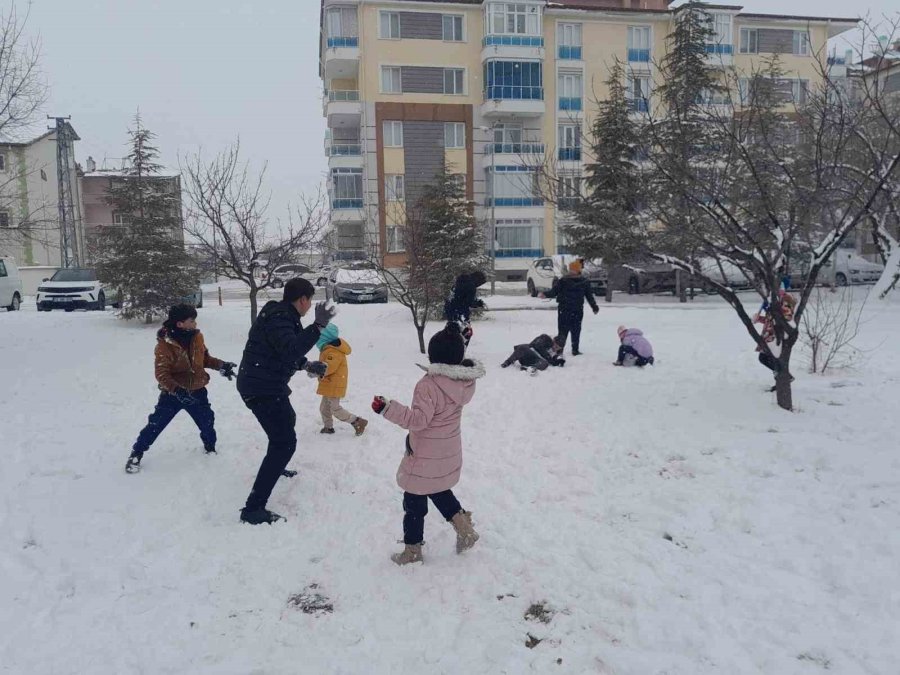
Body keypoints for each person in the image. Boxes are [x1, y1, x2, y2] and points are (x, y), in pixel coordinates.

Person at [371, 322, 485, 566]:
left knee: (414, 502)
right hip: (447, 450)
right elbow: (456, 358)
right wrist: (460, 340)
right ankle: (464, 529)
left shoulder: (428, 385)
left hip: (424, 455)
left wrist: (387, 409)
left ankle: (412, 551)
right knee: (439, 489)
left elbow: (419, 421)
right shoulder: (463, 382)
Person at [236, 278, 334, 525]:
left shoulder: (281, 316)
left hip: (265, 383)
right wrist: (318, 326)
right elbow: (290, 349)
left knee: (286, 422)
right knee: (284, 443)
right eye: (309, 300)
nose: (310, 306)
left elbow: (283, 351)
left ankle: (276, 467)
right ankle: (253, 509)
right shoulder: (280, 318)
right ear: (302, 300)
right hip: (261, 388)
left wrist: (307, 364)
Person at [125, 304, 235, 474]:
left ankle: (210, 448)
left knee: (207, 421)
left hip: (197, 390)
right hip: (173, 394)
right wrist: (177, 390)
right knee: (156, 424)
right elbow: (161, 373)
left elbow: (204, 359)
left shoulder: (197, 337)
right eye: (192, 321)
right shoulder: (164, 345)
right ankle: (136, 453)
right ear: (180, 324)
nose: (195, 324)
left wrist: (221, 365)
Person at [315, 323, 367, 436]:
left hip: (334, 384)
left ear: (325, 338)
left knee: (335, 408)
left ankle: (357, 421)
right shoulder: (328, 349)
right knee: (324, 408)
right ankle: (328, 427)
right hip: (328, 383)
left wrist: (317, 370)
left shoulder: (333, 351)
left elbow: (329, 367)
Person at [541, 260, 599, 355]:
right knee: (565, 331)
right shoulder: (565, 281)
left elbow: (589, 296)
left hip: (572, 310)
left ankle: (573, 349)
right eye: (571, 269)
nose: (571, 271)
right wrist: (545, 294)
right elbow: (554, 291)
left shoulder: (580, 281)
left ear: (577, 270)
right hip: (568, 309)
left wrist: (594, 306)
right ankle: (561, 349)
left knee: (572, 330)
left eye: (573, 270)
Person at [753, 286, 797, 391]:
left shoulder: (787, 299)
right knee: (768, 359)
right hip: (769, 334)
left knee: (767, 359)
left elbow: (786, 317)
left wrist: (772, 309)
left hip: (777, 336)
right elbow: (770, 319)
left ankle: (784, 377)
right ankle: (781, 379)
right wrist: (759, 319)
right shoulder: (774, 299)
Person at [444, 271, 487, 346]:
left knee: (450, 333)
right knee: (467, 333)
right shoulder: (471, 286)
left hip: (450, 311)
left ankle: (450, 350)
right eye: (480, 283)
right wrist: (478, 303)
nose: (478, 286)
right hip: (460, 313)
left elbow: (459, 296)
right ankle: (459, 352)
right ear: (477, 280)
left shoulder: (459, 281)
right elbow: (468, 302)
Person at [500, 334, 566, 373]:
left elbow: (552, 361)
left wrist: (558, 362)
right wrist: (548, 358)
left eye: (558, 348)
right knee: (522, 348)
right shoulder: (545, 338)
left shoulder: (554, 352)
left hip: (533, 361)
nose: (556, 349)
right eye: (556, 346)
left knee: (545, 364)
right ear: (554, 340)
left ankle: (527, 368)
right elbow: (536, 345)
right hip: (528, 352)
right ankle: (508, 361)